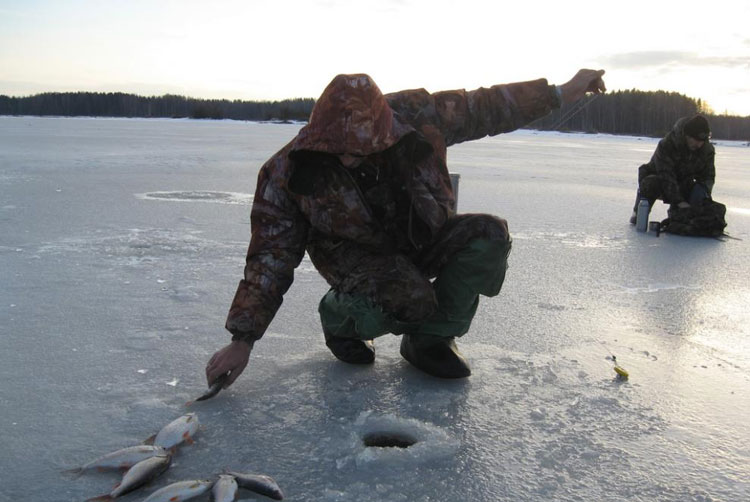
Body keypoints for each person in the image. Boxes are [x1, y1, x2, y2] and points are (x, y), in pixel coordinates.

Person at [206, 69, 606, 385]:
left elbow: (488, 106)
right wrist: (243, 339)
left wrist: (560, 92)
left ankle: (429, 340)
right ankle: (338, 317)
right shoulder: (287, 172)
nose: (347, 160)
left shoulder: (418, 116)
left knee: (489, 237)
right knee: (408, 295)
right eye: (337, 151)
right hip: (355, 258)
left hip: (419, 233)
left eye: (360, 150)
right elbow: (270, 258)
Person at [630, 114, 715, 224]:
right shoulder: (667, 144)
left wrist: (701, 196)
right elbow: (665, 175)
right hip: (661, 180)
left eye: (702, 141)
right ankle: (639, 213)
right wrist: (680, 202)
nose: (699, 144)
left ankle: (678, 217)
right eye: (696, 140)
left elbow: (708, 177)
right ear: (687, 135)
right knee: (650, 183)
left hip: (684, 182)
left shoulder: (706, 150)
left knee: (698, 193)